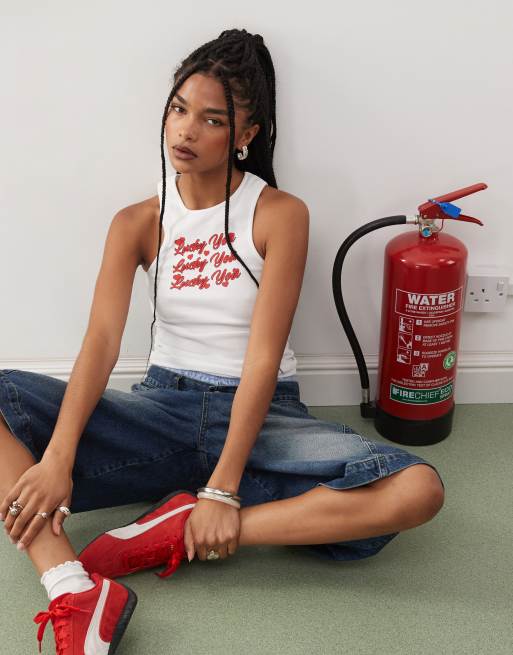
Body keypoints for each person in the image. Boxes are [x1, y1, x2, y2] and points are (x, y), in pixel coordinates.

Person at [0, 28, 445, 654]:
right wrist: (57, 457)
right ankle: (72, 586)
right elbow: (100, 342)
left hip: (263, 416)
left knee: (417, 489)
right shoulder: (137, 221)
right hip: (161, 409)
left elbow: (264, 357)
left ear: (246, 134)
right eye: (179, 110)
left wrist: (220, 492)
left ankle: (181, 527)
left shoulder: (280, 213)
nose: (185, 131)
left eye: (212, 120)